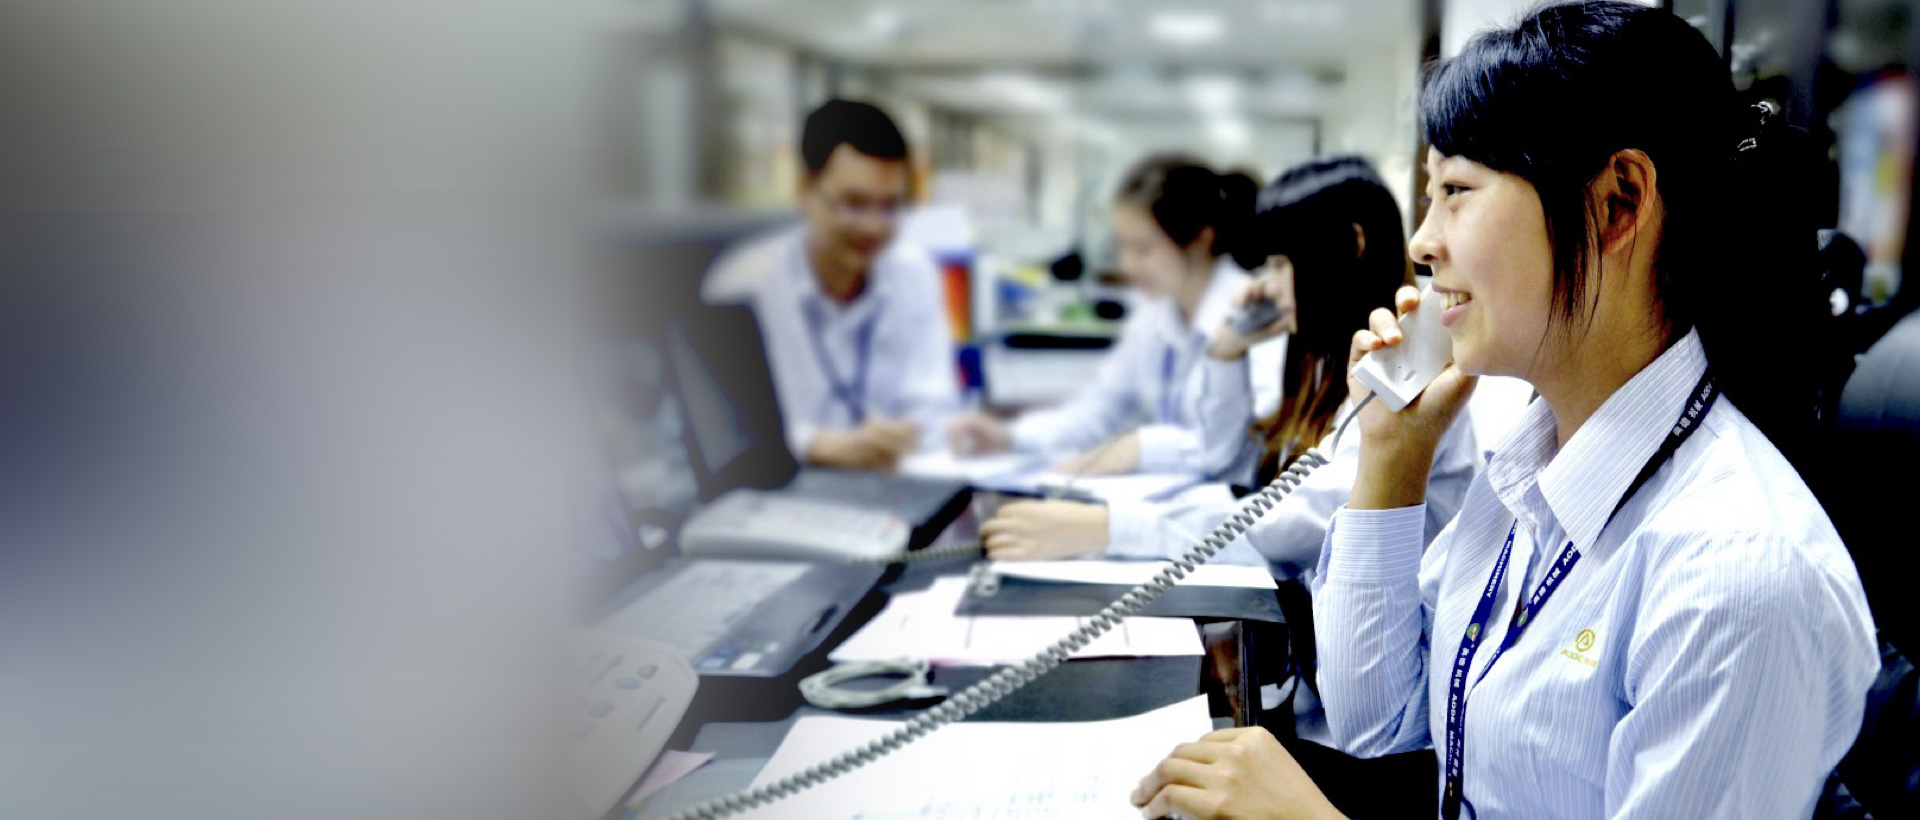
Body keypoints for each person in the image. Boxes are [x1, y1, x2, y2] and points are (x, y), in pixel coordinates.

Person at [1130, 4, 1879, 819]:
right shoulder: (1528, 469)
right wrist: (1390, 457)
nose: (1422, 243)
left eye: (1456, 191)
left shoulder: (1736, 576)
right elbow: (1380, 729)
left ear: (1617, 204)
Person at [978, 157, 1478, 583]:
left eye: (1280, 264)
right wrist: (1227, 351)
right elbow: (1227, 462)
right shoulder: (1323, 359)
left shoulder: (1404, 361)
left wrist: (1109, 529)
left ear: (1351, 245)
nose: (1270, 287)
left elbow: (1293, 525)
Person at [948, 155, 1280, 482]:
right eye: (1122, 247)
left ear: (1200, 240)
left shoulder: (1254, 313)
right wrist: (1011, 436)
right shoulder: (1154, 316)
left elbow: (1255, 443)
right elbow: (1100, 409)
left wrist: (1144, 448)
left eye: (1143, 249)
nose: (1129, 266)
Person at [704, 99, 959, 471]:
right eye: (854, 204)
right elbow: (723, 432)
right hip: (783, 486)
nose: (873, 227)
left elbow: (933, 406)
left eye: (890, 206)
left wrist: (918, 433)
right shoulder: (744, 286)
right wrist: (815, 445)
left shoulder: (914, 273)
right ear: (804, 192)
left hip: (889, 482)